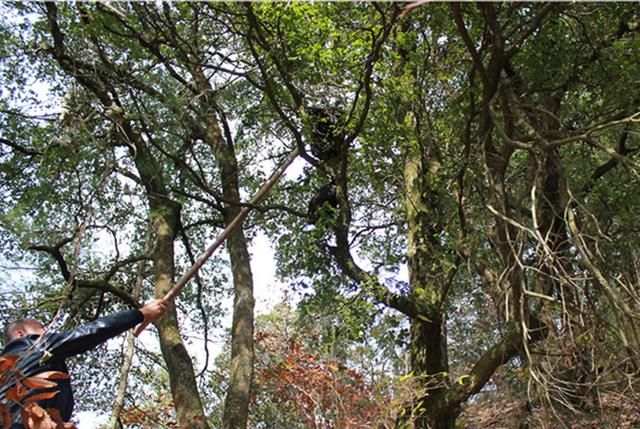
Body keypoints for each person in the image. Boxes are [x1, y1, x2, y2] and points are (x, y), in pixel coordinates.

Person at [1, 299, 169, 428]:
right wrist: (141, 314)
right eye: (41, 328)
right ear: (20, 333)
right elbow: (86, 334)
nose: (46, 333)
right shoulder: (29, 346)